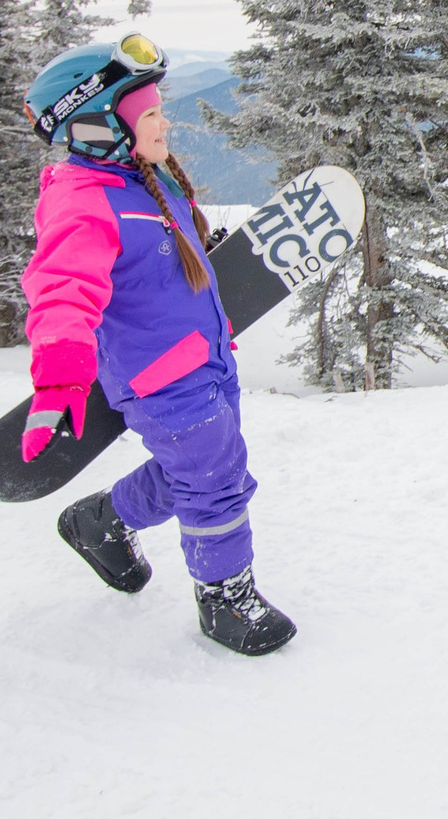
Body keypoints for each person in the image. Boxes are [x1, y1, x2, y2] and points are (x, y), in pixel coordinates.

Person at [18, 34, 295, 656]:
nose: (165, 120)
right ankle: (226, 598)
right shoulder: (84, 202)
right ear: (97, 125)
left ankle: (101, 522)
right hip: (158, 375)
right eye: (149, 114)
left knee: (192, 473)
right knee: (217, 479)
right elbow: (62, 288)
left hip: (208, 356)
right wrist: (59, 378)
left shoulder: (143, 181)